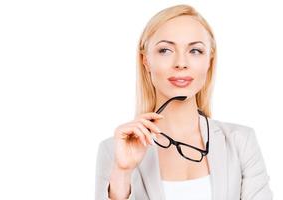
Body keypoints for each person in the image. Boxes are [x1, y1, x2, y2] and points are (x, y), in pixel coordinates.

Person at [95, 4, 273, 200]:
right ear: (146, 60)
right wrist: (122, 173)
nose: (181, 63)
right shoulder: (114, 150)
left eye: (195, 51)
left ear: (209, 61)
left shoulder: (241, 141)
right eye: (165, 50)